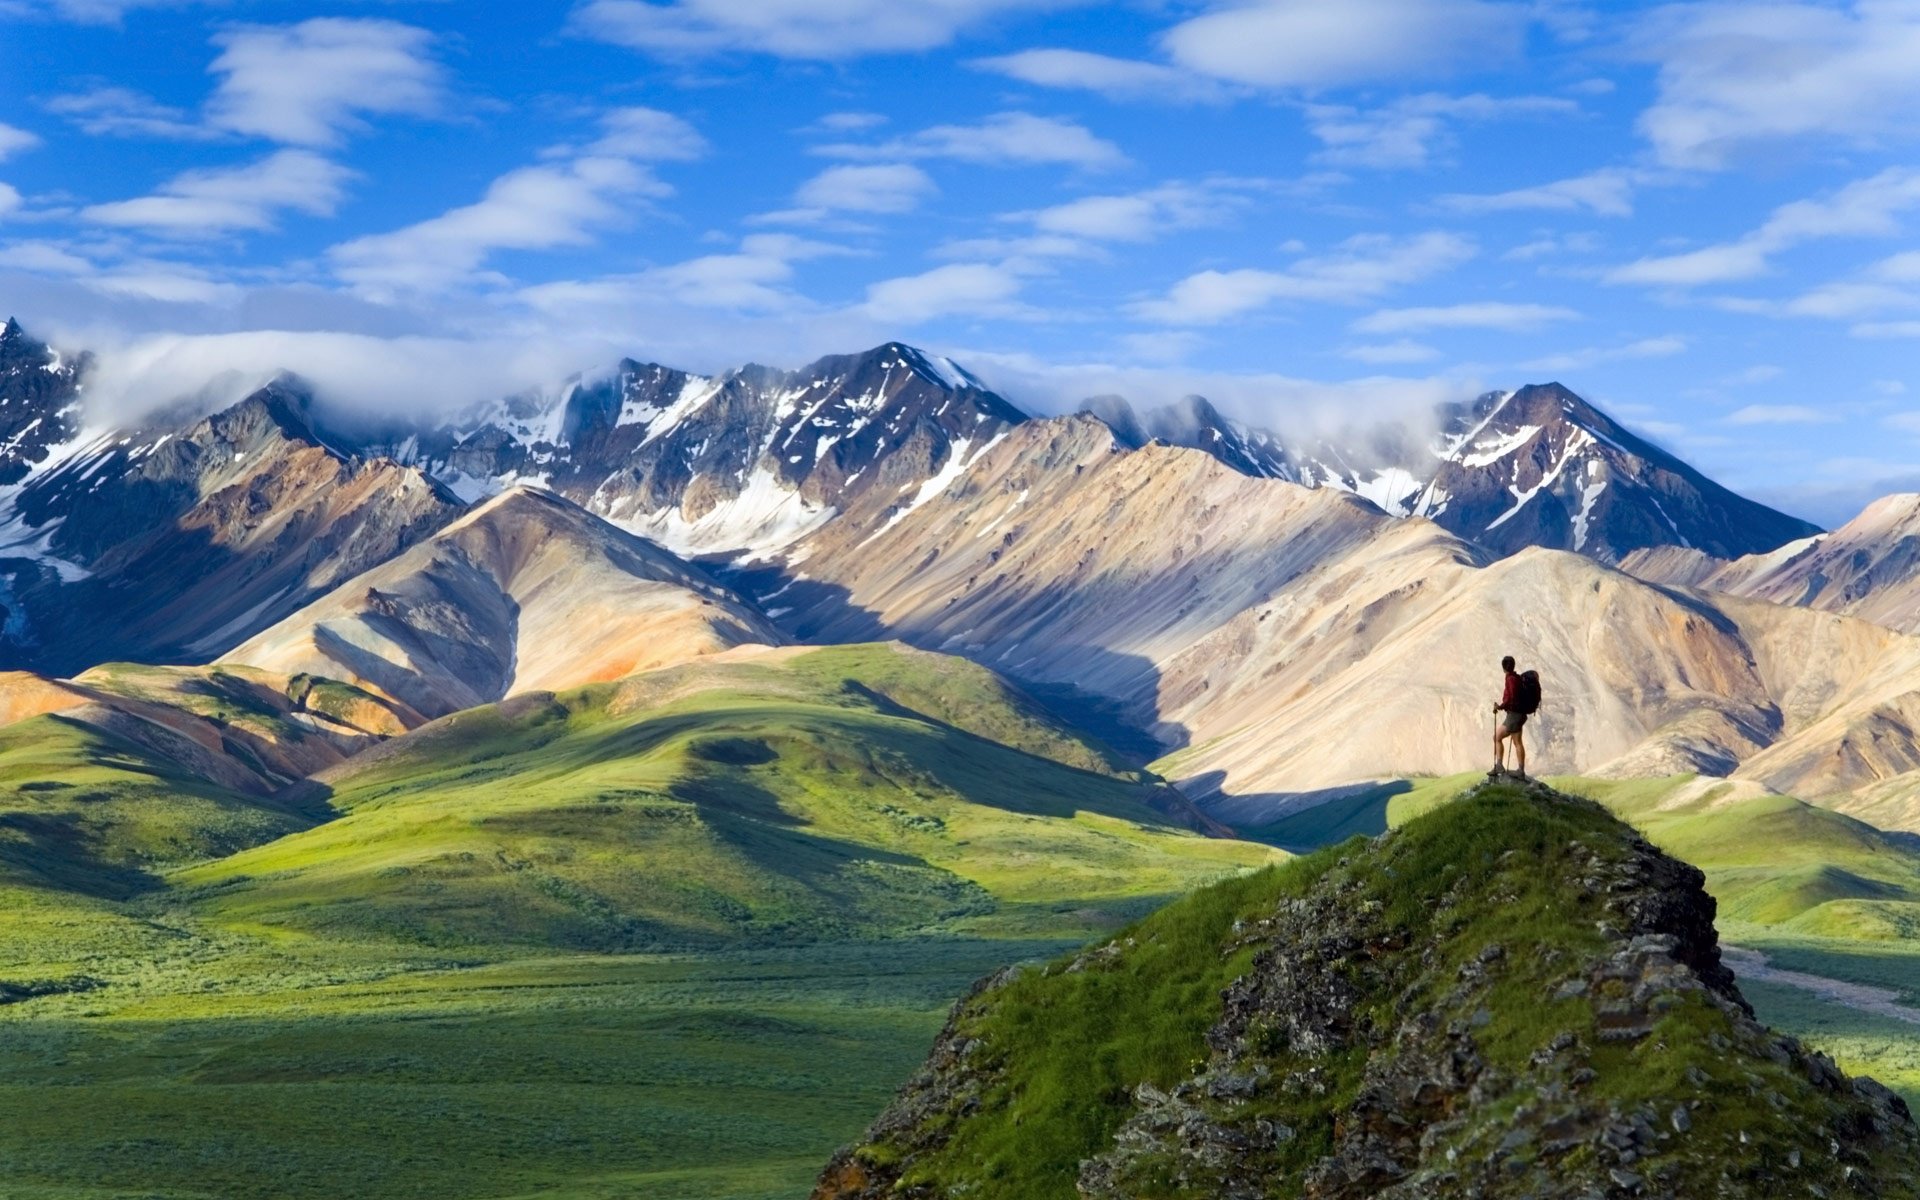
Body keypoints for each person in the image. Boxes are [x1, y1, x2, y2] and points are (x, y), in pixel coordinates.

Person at [1492, 655, 1529, 780]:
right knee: (1517, 742)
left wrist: (1500, 706)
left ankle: (1500, 766)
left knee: (1497, 737)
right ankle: (1520, 770)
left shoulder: (1510, 680)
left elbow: (1510, 698)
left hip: (1514, 715)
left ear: (1503, 668)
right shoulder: (1517, 678)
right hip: (1520, 714)